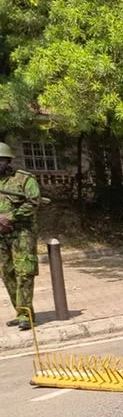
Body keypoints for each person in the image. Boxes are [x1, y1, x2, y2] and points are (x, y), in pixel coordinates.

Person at [0, 142, 41, 331]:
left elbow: (33, 202)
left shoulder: (23, 179)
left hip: (22, 233)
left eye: (1, 160)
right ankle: (19, 310)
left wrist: (11, 217)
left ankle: (26, 314)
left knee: (24, 272)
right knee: (7, 273)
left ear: (8, 161)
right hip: (1, 235)